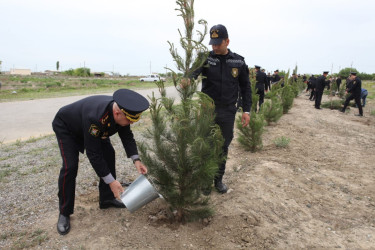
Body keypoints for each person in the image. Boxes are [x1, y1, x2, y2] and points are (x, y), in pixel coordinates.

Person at [52, 89, 149, 235]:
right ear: (117, 114)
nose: (130, 123)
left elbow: (127, 136)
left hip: (90, 128)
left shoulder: (123, 111)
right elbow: (94, 154)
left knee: (109, 154)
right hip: (68, 127)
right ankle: (64, 212)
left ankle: (106, 199)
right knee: (70, 167)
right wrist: (111, 181)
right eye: (129, 120)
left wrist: (136, 160)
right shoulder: (96, 118)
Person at [193, 24, 252, 194]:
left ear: (227, 41)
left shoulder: (238, 61)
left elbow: (245, 88)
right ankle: (205, 181)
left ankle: (218, 180)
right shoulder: (205, 58)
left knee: (222, 146)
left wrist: (246, 111)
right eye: (213, 43)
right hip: (207, 110)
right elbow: (192, 73)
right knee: (205, 145)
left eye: (218, 43)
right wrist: (187, 80)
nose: (215, 46)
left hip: (227, 111)